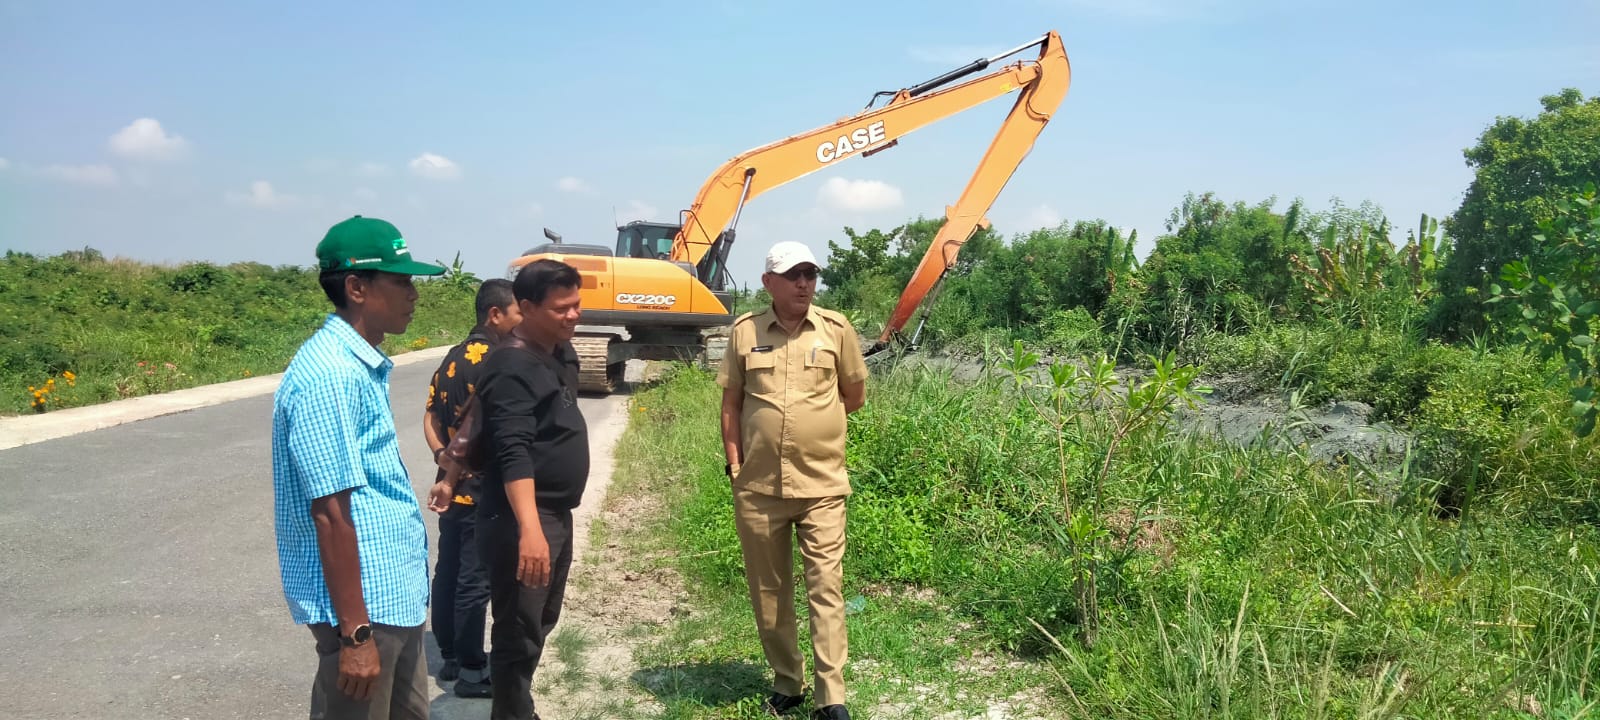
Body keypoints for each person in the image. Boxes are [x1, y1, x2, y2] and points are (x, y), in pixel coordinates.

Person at [270, 215, 446, 720]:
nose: (414, 294)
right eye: (401, 280)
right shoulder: (330, 376)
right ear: (356, 287)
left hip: (394, 597)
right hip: (367, 611)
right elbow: (331, 513)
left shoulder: (358, 365)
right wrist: (356, 635)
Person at [716, 241, 869, 720]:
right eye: (793, 275)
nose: (804, 283)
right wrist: (735, 465)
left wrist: (811, 428)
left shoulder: (836, 329)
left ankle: (832, 698)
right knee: (770, 591)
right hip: (759, 488)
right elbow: (731, 404)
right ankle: (788, 679)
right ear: (769, 283)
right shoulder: (744, 333)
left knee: (826, 586)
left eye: (810, 274)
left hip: (821, 485)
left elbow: (855, 395)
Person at [433, 258, 589, 720]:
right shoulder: (511, 365)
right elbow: (513, 450)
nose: (574, 315)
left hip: (554, 513)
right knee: (517, 629)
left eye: (578, 304)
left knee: (539, 620)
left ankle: (519, 706)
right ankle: (512, 713)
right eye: (563, 308)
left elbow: (474, 422)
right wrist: (530, 530)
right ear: (526, 307)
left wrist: (450, 471)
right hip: (521, 516)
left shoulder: (559, 352)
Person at [421, 278, 522, 698]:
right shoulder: (495, 360)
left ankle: (447, 654)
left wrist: (444, 460)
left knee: (448, 573)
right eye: (517, 312)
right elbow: (486, 429)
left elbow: (428, 417)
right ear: (495, 315)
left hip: (453, 488)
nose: (520, 320)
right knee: (474, 583)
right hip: (478, 490)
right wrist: (456, 471)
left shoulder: (450, 358)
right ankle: (471, 670)